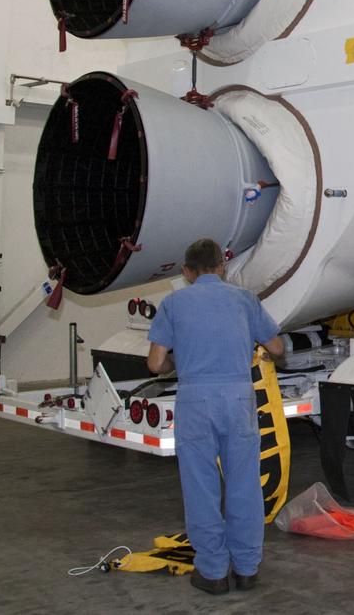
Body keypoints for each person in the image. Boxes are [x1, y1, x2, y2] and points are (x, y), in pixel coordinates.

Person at [146, 238, 285, 595]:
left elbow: (155, 363)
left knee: (202, 489)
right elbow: (277, 348)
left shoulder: (174, 303)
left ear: (187, 272)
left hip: (195, 400)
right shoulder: (244, 300)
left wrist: (180, 361)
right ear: (221, 267)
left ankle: (213, 573)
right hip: (239, 400)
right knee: (244, 486)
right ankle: (247, 569)